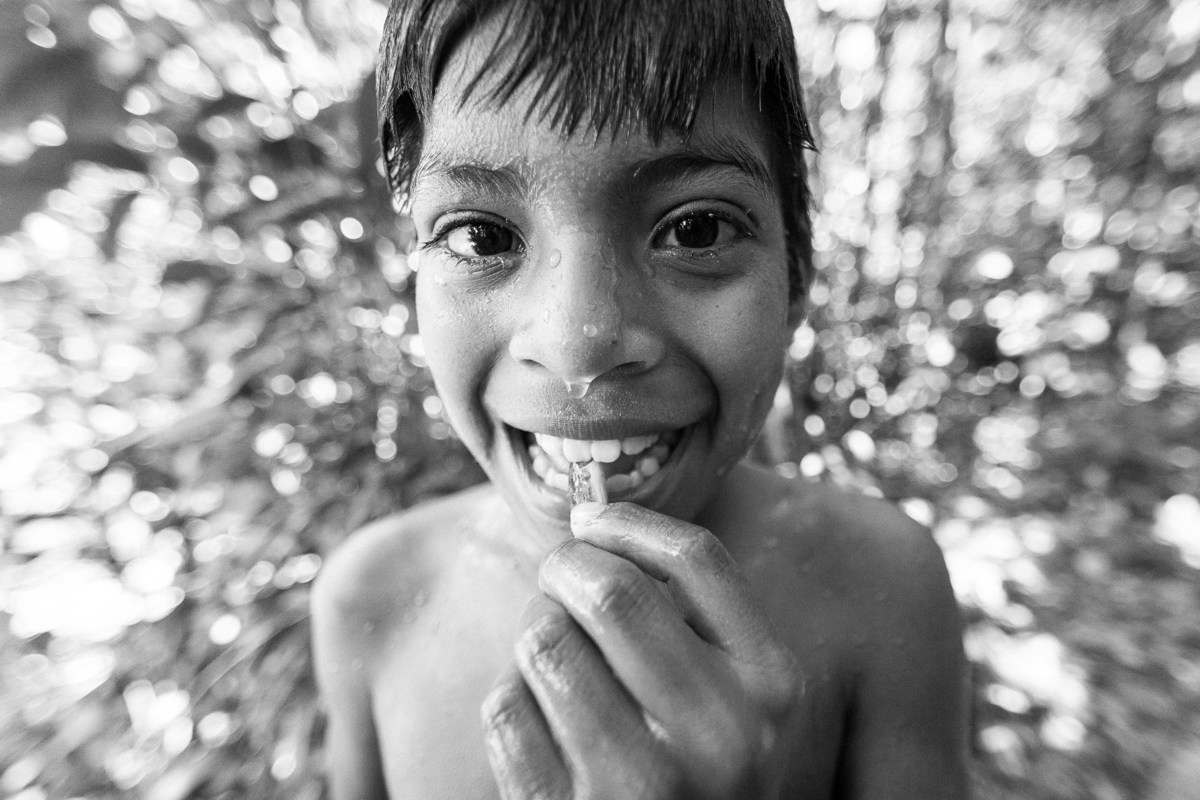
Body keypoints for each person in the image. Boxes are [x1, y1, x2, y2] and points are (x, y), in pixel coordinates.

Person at [310, 0, 969, 797]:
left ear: (796, 279)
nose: (577, 343)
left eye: (695, 230)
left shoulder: (883, 584)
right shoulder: (370, 598)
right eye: (482, 236)